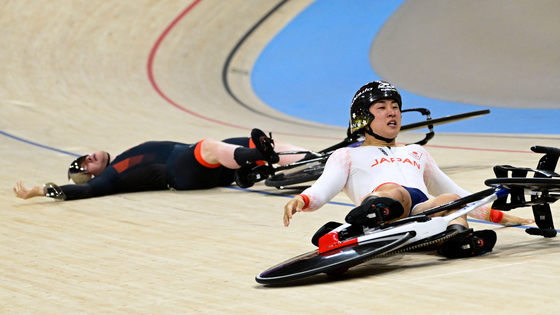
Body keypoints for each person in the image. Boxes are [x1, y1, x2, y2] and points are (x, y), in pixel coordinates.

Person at [283, 81, 534, 258]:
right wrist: (301, 200)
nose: (392, 111)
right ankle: (371, 215)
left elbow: (459, 194)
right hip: (389, 205)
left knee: (450, 199)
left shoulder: (416, 152)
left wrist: (505, 217)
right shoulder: (347, 154)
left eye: (395, 106)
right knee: (395, 191)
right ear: (362, 118)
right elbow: (323, 189)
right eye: (381, 107)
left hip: (420, 210)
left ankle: (458, 238)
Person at [13, 129, 309, 201]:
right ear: (91, 175)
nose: (88, 159)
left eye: (84, 156)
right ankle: (264, 157)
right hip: (180, 171)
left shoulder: (120, 158)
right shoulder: (112, 176)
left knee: (244, 141)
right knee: (209, 146)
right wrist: (38, 191)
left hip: (195, 162)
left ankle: (310, 157)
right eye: (84, 165)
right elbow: (85, 192)